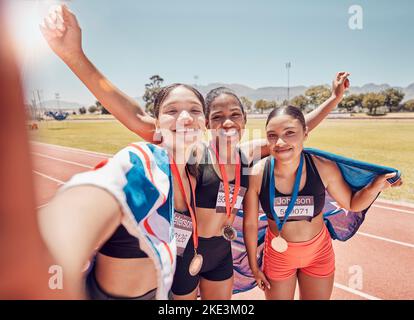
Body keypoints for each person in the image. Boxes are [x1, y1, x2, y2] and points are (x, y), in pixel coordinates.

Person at [40, 4, 350, 300]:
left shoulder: (248, 154)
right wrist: (74, 55)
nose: (227, 123)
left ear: (244, 120)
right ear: (207, 124)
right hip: (186, 252)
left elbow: (294, 130)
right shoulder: (194, 153)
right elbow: (137, 117)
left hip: (221, 255)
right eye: (217, 116)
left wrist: (333, 100)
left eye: (235, 115)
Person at [39, 83, 207, 300]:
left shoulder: (194, 172)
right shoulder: (144, 160)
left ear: (205, 122)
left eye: (195, 110)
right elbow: (98, 193)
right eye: (172, 111)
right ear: (156, 124)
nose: (186, 118)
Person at [243, 105, 402, 300]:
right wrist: (253, 265)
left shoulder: (322, 167)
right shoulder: (258, 173)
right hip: (278, 257)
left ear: (305, 134)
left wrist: (373, 187)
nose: (280, 141)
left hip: (318, 254)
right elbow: (250, 224)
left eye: (290, 133)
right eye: (272, 135)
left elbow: (352, 204)